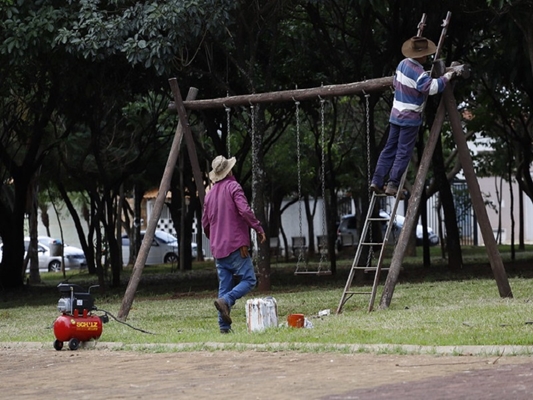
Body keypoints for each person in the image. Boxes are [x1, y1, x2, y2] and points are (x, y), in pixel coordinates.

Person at [371, 36, 455, 197]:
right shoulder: (420, 73)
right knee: (403, 151)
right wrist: (447, 77)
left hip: (396, 115)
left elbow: (396, 83)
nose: (428, 57)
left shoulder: (402, 64)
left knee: (389, 149)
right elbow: (432, 88)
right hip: (410, 118)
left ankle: (377, 180)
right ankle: (393, 184)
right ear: (421, 55)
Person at [202, 155, 267, 333]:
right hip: (236, 245)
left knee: (224, 285)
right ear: (229, 170)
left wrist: (215, 239)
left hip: (218, 249)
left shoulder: (209, 196)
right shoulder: (233, 187)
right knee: (249, 279)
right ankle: (227, 301)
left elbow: (205, 224)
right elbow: (245, 211)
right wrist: (258, 228)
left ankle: (224, 327)